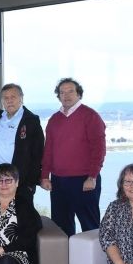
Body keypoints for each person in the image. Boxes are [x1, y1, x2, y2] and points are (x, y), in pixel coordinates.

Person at [40, 78, 106, 236]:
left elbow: (99, 149)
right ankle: (66, 254)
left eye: (70, 91)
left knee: (90, 227)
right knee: (61, 228)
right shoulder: (54, 119)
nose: (66, 95)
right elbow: (48, 150)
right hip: (58, 182)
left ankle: (93, 255)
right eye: (62, 92)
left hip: (84, 181)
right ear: (59, 96)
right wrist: (44, 176)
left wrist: (92, 177)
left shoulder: (91, 116)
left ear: (79, 94)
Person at [0, 83, 44, 202]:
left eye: (13, 97)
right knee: (0, 212)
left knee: (21, 213)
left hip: (20, 182)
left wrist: (30, 184)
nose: (9, 101)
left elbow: (38, 153)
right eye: (5, 98)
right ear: (2, 101)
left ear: (21, 98)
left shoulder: (31, 120)